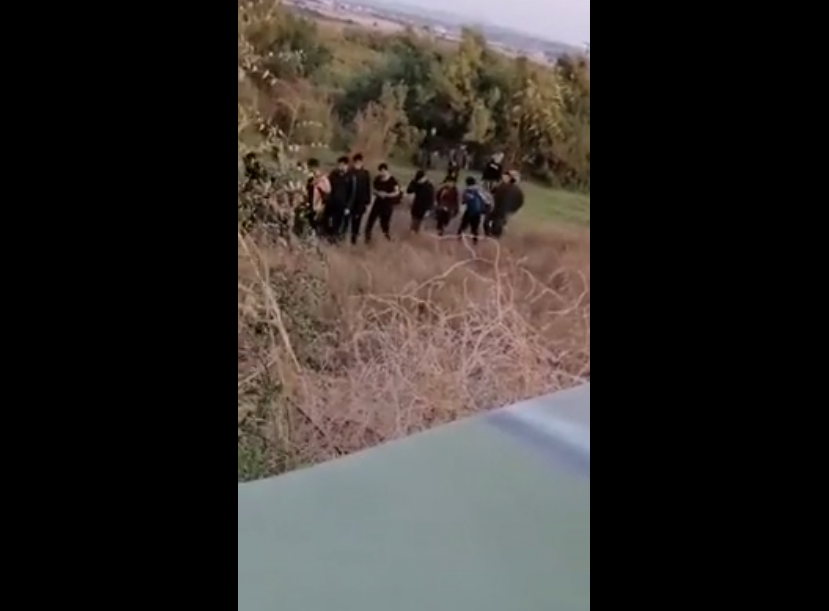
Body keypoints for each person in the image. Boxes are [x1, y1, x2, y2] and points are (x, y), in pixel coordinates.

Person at [365, 163, 401, 243]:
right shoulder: (378, 179)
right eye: (380, 171)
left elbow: (397, 192)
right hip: (378, 202)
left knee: (385, 221)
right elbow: (373, 189)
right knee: (371, 219)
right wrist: (378, 192)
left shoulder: (393, 180)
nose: (382, 173)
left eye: (383, 171)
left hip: (388, 203)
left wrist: (387, 195)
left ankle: (386, 236)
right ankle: (367, 236)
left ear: (387, 171)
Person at [324, 156, 355, 242]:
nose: (340, 167)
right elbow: (327, 186)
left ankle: (336, 237)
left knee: (339, 222)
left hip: (342, 204)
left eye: (342, 165)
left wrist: (348, 207)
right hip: (331, 202)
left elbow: (352, 194)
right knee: (328, 219)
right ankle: (328, 235)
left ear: (346, 165)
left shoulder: (351, 177)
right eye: (339, 165)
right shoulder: (333, 174)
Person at [485, 170, 525, 238]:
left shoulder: (510, 188)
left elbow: (519, 202)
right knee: (494, 221)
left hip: (502, 209)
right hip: (500, 208)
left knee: (496, 222)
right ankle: (495, 232)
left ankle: (495, 234)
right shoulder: (503, 186)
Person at [347, 153, 372, 245]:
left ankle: (354, 239)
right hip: (350, 201)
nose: (357, 164)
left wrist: (367, 201)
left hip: (360, 202)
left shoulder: (365, 174)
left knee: (357, 221)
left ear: (361, 162)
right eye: (356, 162)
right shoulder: (350, 173)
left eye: (359, 162)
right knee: (347, 220)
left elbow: (368, 188)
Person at [457, 176, 489, 244]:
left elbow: (464, 201)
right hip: (478, 212)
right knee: (475, 226)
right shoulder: (480, 190)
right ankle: (475, 239)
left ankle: (459, 235)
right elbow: (486, 200)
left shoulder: (467, 191)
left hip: (470, 210)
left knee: (464, 223)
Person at [304, 158, 330, 236]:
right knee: (312, 224)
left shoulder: (323, 179)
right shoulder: (310, 179)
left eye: (310, 167)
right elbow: (308, 191)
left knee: (319, 225)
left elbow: (327, 192)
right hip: (311, 204)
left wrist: (322, 206)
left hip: (319, 205)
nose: (309, 169)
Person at [406, 169, 435, 234]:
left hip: (423, 208)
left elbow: (431, 199)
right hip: (416, 206)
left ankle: (416, 233)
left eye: (420, 180)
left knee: (418, 224)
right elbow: (409, 190)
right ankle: (413, 232)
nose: (419, 181)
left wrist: (428, 210)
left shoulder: (429, 186)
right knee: (414, 221)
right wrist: (414, 182)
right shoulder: (416, 183)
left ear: (424, 178)